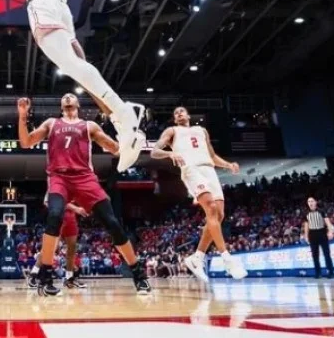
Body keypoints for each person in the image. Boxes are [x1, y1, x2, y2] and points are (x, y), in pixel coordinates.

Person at [25, 0, 144, 172]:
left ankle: (124, 113)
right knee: (81, 69)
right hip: (61, 8)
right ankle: (119, 119)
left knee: (73, 66)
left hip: (44, 4)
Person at [18, 94, 151, 296]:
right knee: (54, 216)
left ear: (78, 104)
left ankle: (138, 274)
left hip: (84, 178)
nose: (67, 97)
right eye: (64, 97)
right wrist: (22, 116)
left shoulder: (90, 126)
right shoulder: (52, 123)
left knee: (112, 223)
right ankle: (45, 276)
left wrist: (129, 137)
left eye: (71, 96)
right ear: (61, 105)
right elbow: (26, 142)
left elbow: (116, 149)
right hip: (59, 177)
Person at [150, 106, 247, 281]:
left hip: (209, 169)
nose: (179, 113)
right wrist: (170, 154)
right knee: (211, 207)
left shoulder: (202, 131)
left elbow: (212, 156)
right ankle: (227, 258)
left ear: (188, 115)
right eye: (176, 113)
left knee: (219, 215)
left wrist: (228, 165)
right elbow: (154, 151)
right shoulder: (172, 131)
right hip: (191, 169)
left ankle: (197, 257)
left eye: (181, 111)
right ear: (174, 119)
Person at [27, 194, 89, 289]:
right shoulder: (54, 186)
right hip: (58, 218)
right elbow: (47, 202)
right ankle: (33, 275)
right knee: (50, 248)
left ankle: (69, 278)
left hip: (71, 219)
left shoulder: (75, 188)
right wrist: (74, 208)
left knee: (71, 250)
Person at [302, 197, 334, 279]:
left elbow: (327, 222)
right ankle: (318, 273)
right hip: (312, 235)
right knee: (315, 255)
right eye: (309, 201)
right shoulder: (306, 213)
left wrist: (330, 231)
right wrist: (306, 236)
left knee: (326, 254)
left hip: (322, 233)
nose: (310, 203)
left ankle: (331, 272)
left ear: (315, 202)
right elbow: (306, 226)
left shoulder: (321, 211)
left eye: (312, 201)